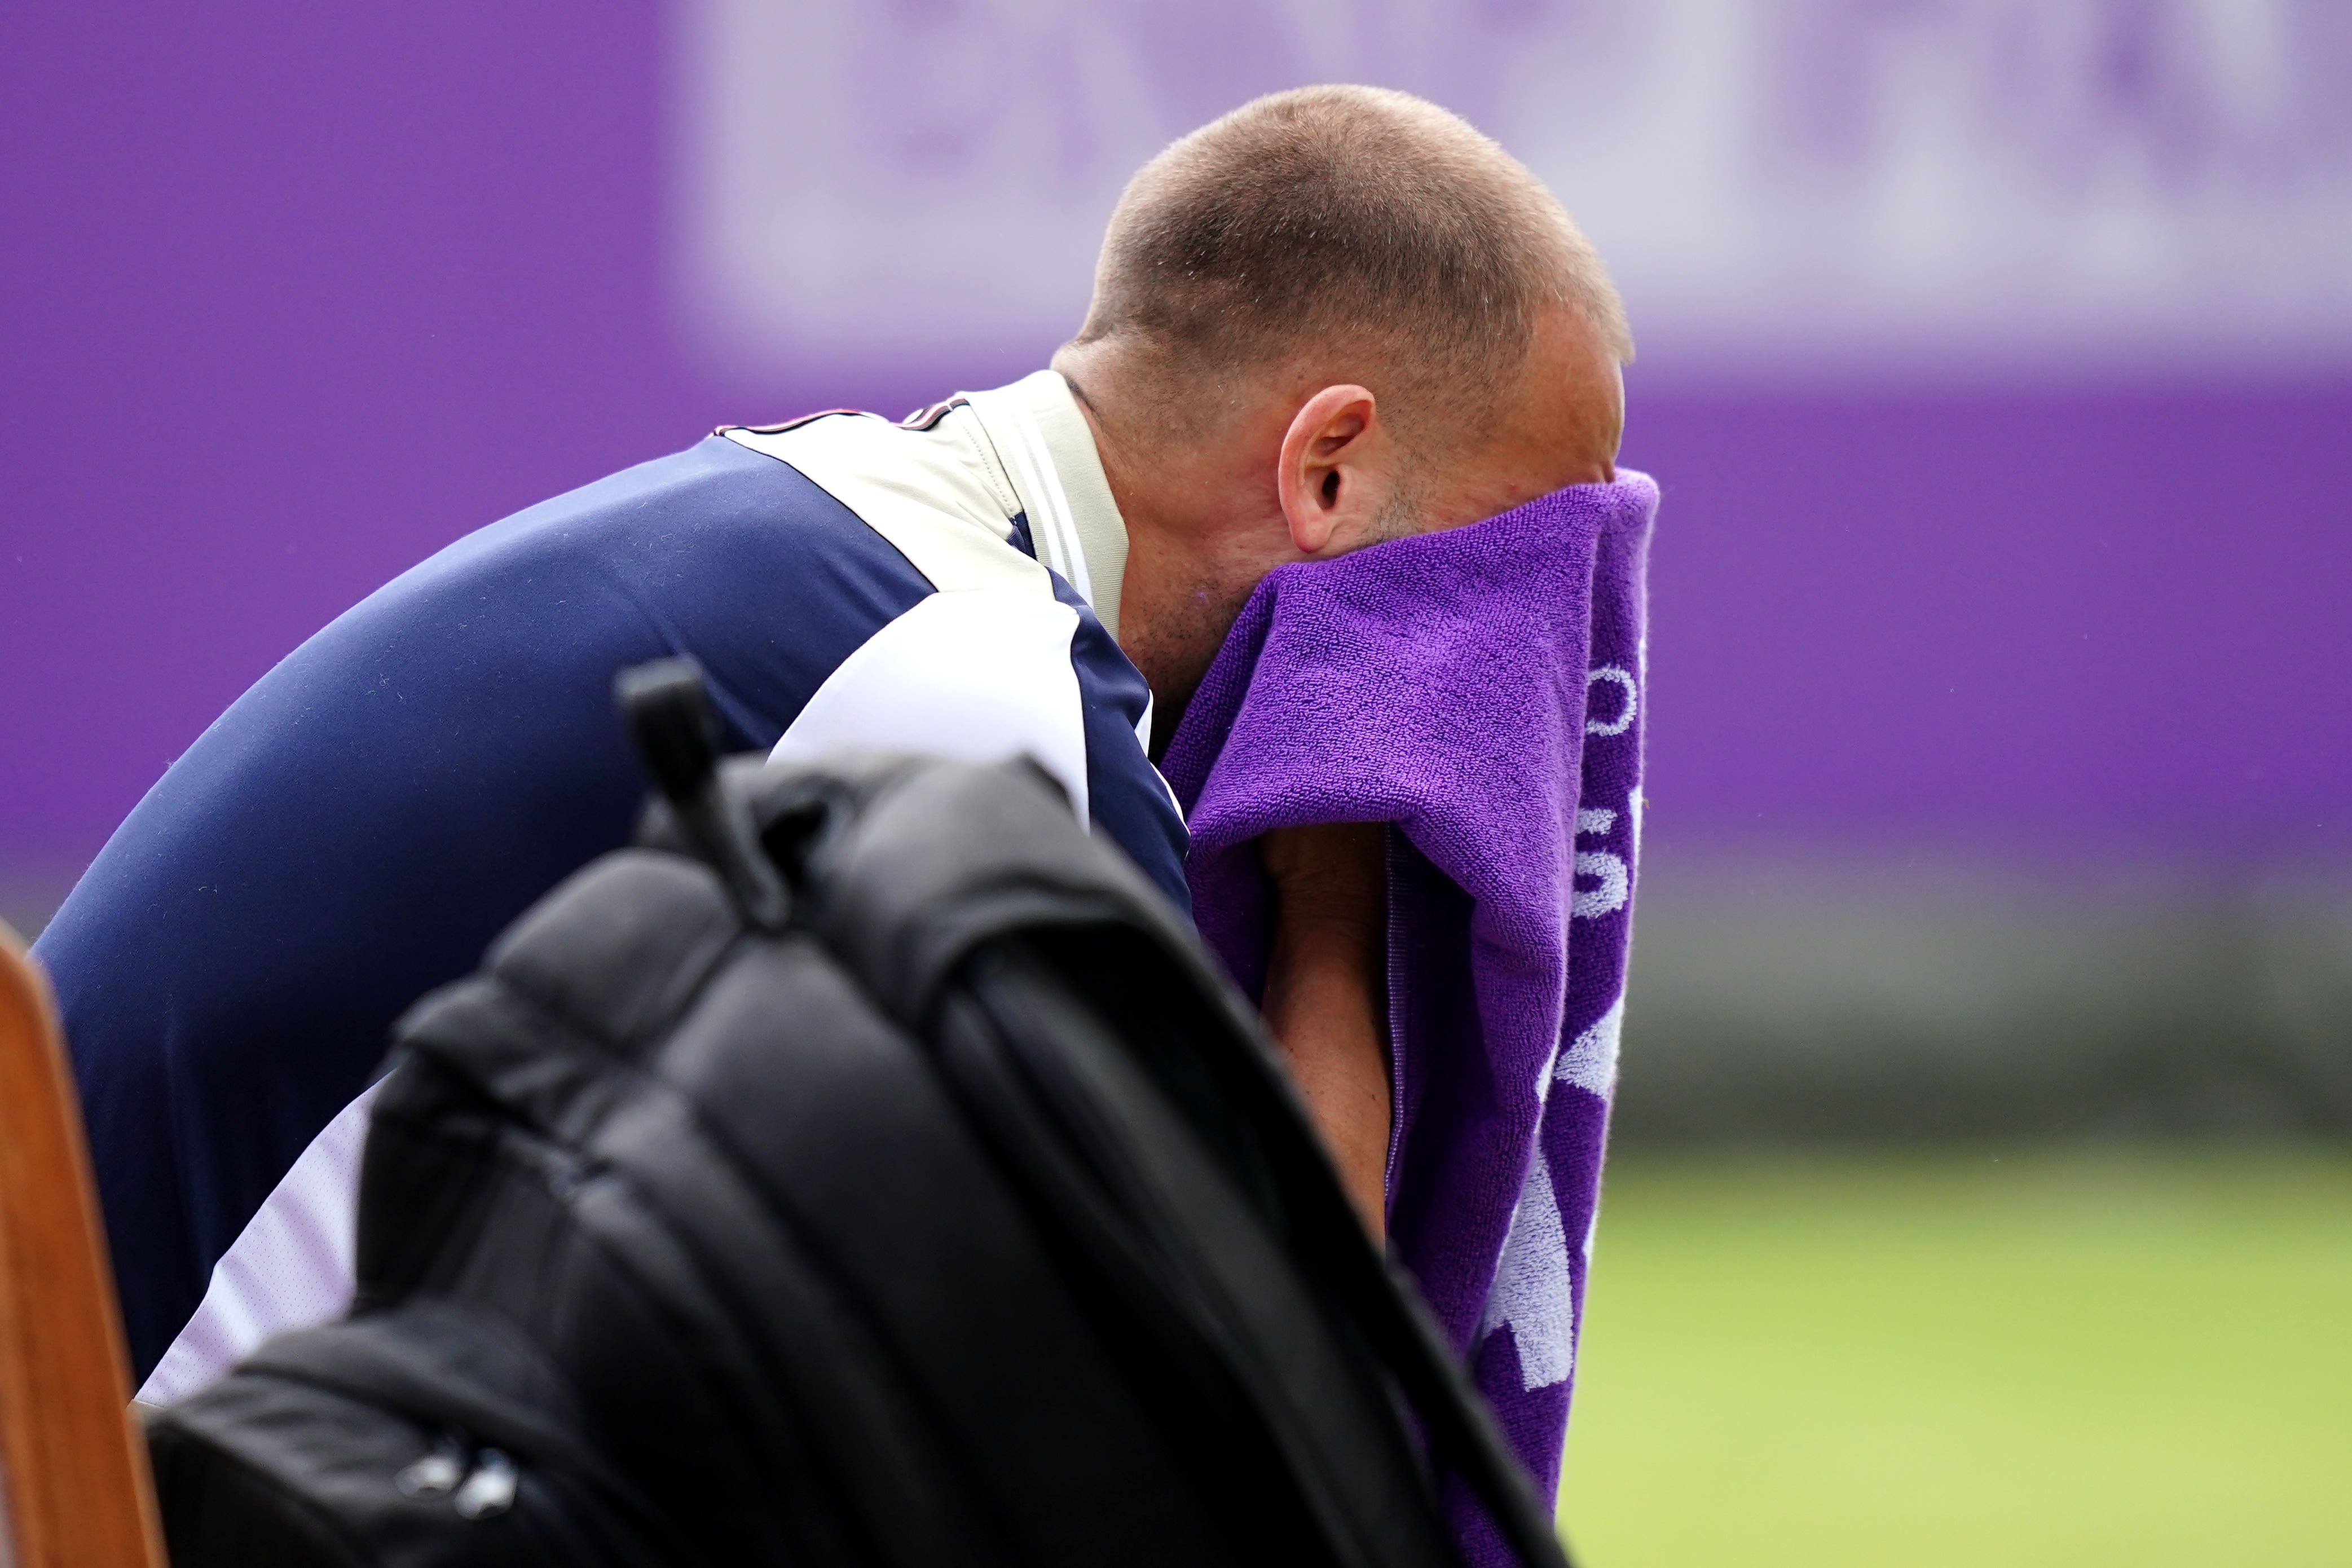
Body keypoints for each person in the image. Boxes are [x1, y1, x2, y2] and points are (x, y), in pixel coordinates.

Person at [38, 83, 1631, 1395]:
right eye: (1491, 575)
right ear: (1328, 468)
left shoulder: (850, 528)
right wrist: (1340, 902)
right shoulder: (978, 686)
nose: (1499, 659)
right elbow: (1274, 1379)